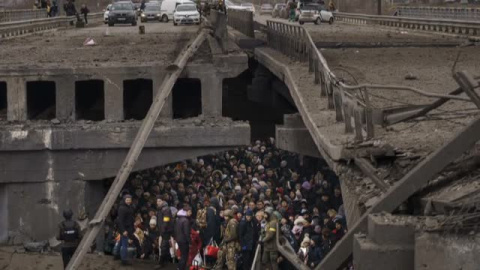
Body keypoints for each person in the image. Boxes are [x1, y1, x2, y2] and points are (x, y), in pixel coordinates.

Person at [116, 194, 135, 265]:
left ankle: (116, 254)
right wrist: (123, 230)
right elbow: (120, 220)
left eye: (129, 200)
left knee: (121, 241)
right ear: (124, 200)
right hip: (124, 228)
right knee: (125, 244)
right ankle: (124, 259)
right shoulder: (122, 208)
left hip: (127, 227)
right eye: (127, 200)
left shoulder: (129, 207)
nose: (128, 201)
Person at [157, 198, 174, 266]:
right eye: (157, 201)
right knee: (165, 245)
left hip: (165, 230)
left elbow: (166, 220)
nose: (158, 202)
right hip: (164, 230)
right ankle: (166, 260)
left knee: (163, 245)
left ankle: (161, 262)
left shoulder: (165, 209)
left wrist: (163, 230)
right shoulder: (161, 209)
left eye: (160, 201)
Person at [175, 206, 191, 270]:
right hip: (184, 240)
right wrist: (189, 241)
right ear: (185, 212)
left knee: (182, 255)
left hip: (179, 239)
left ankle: (179, 267)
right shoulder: (185, 221)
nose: (191, 213)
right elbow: (186, 233)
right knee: (184, 256)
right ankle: (181, 268)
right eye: (189, 211)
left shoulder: (178, 219)